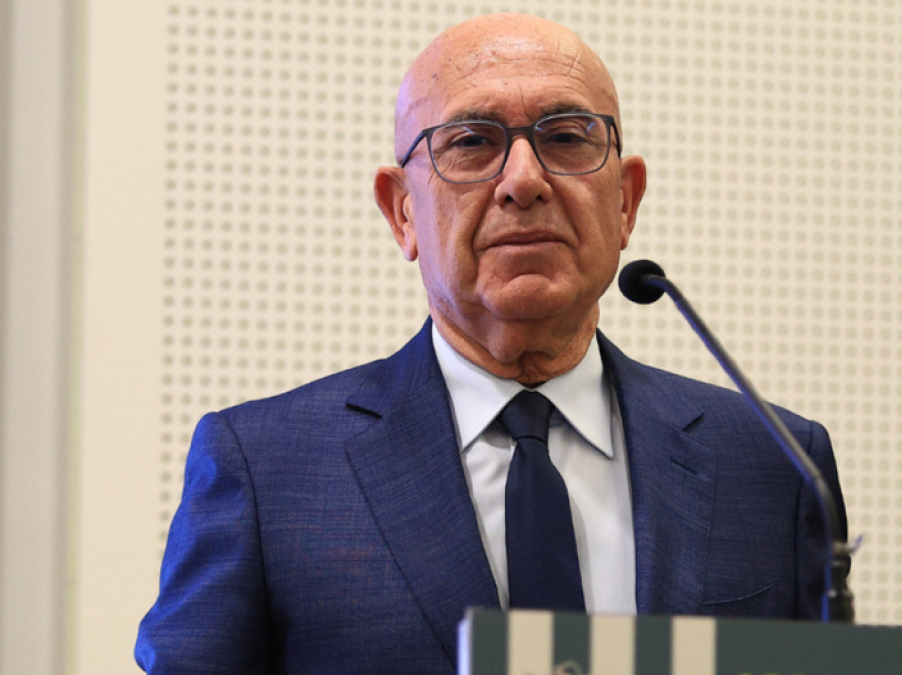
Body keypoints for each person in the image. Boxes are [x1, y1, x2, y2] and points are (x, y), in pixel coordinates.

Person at [135, 13, 847, 675]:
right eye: (472, 142)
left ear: (626, 200)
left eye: (566, 137)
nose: (524, 181)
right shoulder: (267, 472)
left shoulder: (777, 463)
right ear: (401, 211)